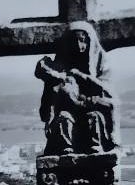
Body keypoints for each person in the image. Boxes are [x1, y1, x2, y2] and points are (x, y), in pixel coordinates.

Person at [34, 20, 117, 155]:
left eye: (83, 40)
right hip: (67, 113)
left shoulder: (101, 67)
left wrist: (81, 77)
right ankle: (66, 148)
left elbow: (107, 95)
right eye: (74, 41)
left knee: (94, 118)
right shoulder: (59, 71)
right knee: (63, 119)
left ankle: (96, 146)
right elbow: (48, 104)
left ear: (90, 42)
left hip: (90, 110)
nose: (79, 46)